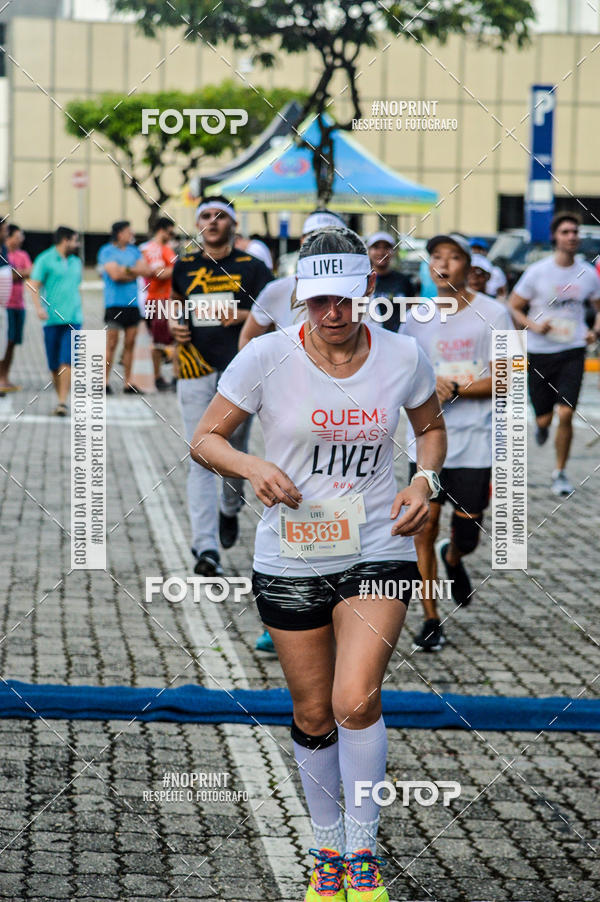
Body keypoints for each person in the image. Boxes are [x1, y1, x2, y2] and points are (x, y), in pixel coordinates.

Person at [190, 226, 446, 902]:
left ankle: (363, 853)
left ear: (368, 290)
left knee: (354, 699)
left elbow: (429, 429)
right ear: (301, 296)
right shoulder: (265, 357)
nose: (333, 314)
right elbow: (206, 439)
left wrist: (424, 482)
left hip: (376, 548)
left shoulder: (403, 355)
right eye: (318, 300)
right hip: (292, 552)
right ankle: (326, 847)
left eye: (346, 298)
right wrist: (251, 466)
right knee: (312, 714)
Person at [401, 233, 513, 652]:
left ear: (470, 266)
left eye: (454, 256)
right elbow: (404, 373)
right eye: (436, 256)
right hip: (427, 441)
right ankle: (431, 618)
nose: (443, 263)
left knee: (467, 533)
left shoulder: (495, 313)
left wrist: (460, 388)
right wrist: (431, 385)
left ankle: (455, 557)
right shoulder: (416, 316)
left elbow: (509, 376)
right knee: (422, 528)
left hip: (474, 442)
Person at [240, 209, 345, 653]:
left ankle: (340, 608)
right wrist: (266, 385)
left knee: (339, 494)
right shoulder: (278, 290)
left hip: (342, 412)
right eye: (310, 239)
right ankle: (284, 615)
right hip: (291, 412)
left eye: (327, 239)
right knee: (291, 492)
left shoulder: (351, 299)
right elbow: (248, 338)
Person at [170, 195, 273, 576]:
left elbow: (273, 314)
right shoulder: (184, 265)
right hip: (193, 367)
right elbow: (174, 308)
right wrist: (176, 326)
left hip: (240, 371)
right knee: (198, 454)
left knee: (234, 451)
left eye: (220, 216)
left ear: (233, 224)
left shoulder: (254, 267)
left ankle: (229, 509)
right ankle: (206, 549)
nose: (211, 222)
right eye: (204, 216)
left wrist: (241, 314)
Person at [509, 212, 600, 496]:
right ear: (555, 237)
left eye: (575, 232)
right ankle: (541, 426)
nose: (572, 236)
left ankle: (559, 472)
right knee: (545, 417)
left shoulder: (587, 272)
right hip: (540, 351)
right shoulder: (538, 271)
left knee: (566, 413)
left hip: (572, 350)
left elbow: (598, 307)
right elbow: (513, 306)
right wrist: (534, 326)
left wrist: (594, 332)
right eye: (565, 232)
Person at [239, 210, 344, 347]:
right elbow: (247, 339)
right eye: (313, 236)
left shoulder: (358, 291)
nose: (320, 243)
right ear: (302, 241)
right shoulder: (277, 289)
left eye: (330, 237)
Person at [29, 227, 83, 416]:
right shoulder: (45, 259)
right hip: (51, 319)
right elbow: (33, 285)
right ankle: (61, 395)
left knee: (67, 360)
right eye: (75, 241)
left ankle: (62, 402)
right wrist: (38, 308)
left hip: (74, 319)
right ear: (65, 241)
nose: (77, 245)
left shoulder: (76, 262)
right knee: (54, 364)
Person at [98, 221, 152, 394]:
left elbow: (146, 270)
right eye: (129, 231)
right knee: (111, 344)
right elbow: (114, 275)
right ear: (119, 233)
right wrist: (132, 271)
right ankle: (103, 382)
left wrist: (125, 271)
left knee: (130, 343)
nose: (132, 234)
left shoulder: (134, 251)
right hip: (114, 304)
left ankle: (128, 383)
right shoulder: (106, 251)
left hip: (133, 304)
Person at [141, 217, 177, 391]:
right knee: (161, 341)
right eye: (170, 232)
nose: (172, 236)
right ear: (161, 230)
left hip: (166, 299)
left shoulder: (166, 248)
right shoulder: (154, 249)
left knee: (173, 339)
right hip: (158, 300)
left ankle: (173, 377)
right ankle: (159, 377)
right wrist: (180, 268)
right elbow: (159, 273)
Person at [0, 224, 32, 391]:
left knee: (11, 343)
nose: (22, 239)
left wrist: (16, 273)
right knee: (3, 342)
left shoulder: (23, 254)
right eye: (18, 236)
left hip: (19, 305)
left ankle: (4, 377)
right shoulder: (2, 251)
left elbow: (30, 272)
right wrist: (20, 273)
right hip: (5, 306)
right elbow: (14, 273)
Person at [366, 231, 415, 331]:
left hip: (399, 338)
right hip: (371, 339)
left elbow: (413, 312)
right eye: (376, 247)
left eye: (386, 248)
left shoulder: (403, 280)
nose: (381, 252)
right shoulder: (363, 281)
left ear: (393, 252)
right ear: (368, 251)